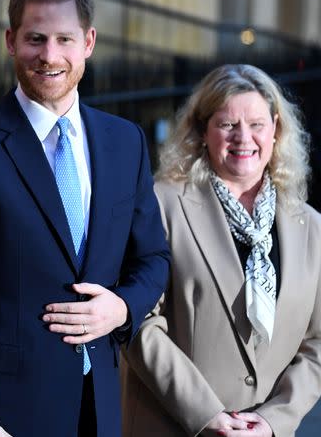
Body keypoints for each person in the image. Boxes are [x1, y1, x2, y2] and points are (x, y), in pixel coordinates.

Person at [0, 0, 171, 437]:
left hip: (98, 406)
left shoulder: (126, 143)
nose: (50, 55)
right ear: (11, 41)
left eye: (65, 39)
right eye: (35, 39)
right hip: (3, 412)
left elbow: (154, 258)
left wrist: (121, 308)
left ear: (89, 42)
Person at [121, 64, 321, 437]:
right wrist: (206, 414)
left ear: (276, 129)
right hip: (173, 427)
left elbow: (318, 343)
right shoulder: (161, 205)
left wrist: (274, 420)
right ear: (202, 131)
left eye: (257, 124)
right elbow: (137, 321)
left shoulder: (310, 227)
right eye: (228, 124)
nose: (243, 137)